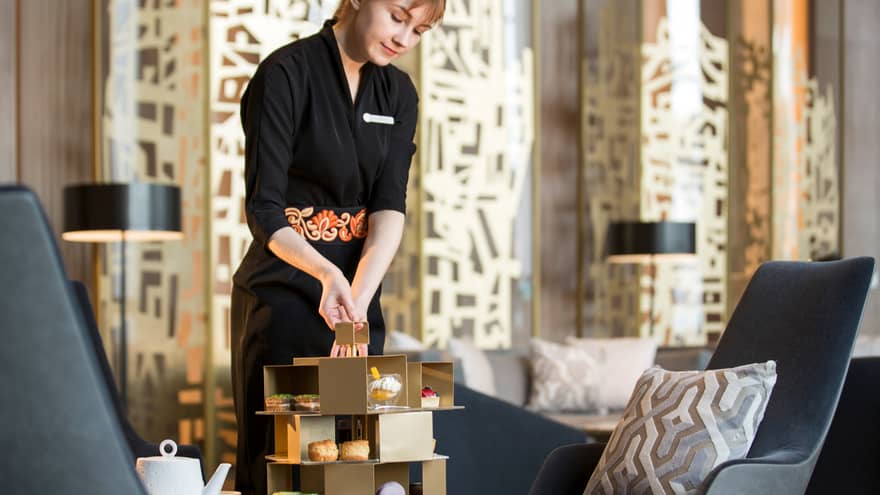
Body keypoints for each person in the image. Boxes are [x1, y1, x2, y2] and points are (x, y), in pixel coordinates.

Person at [230, 1, 445, 493]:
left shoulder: (398, 93)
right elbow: (265, 209)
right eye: (398, 17)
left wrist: (358, 301)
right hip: (283, 294)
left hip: (357, 300)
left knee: (359, 457)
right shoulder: (286, 73)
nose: (404, 39)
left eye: (420, 30)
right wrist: (328, 275)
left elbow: (389, 205)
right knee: (281, 463)